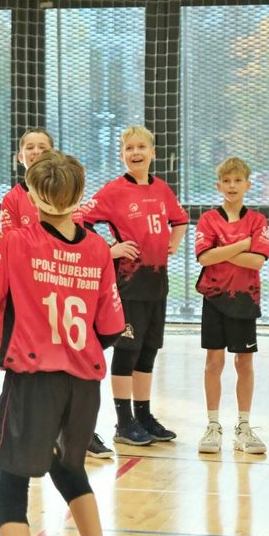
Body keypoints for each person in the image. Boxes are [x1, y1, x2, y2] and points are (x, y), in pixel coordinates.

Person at [0, 150, 125, 536]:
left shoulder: (16, 242)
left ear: (31, 195)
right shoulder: (99, 249)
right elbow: (110, 328)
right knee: (70, 471)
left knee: (9, 489)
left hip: (33, 381)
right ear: (80, 195)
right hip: (84, 384)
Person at [1, 127, 114, 459]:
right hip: (32, 296)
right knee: (35, 371)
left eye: (42, 146)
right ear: (20, 156)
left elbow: (76, 237)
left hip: (65, 286)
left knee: (74, 363)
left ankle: (79, 432)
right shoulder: (12, 199)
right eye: (29, 147)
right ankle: (40, 435)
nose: (35, 151)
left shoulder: (65, 191)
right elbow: (12, 246)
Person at [81, 126, 188, 445]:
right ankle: (124, 422)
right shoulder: (113, 191)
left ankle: (144, 415)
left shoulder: (162, 189)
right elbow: (80, 222)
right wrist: (109, 250)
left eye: (142, 147)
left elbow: (180, 219)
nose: (136, 152)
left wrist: (173, 243)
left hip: (157, 283)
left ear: (153, 152)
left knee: (148, 350)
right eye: (129, 148)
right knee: (127, 351)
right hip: (128, 285)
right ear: (121, 155)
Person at [195, 157, 269, 454]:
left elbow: (257, 261)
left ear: (248, 185)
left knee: (244, 363)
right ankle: (213, 426)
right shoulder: (208, 219)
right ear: (218, 186)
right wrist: (242, 245)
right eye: (226, 181)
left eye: (238, 180)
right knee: (214, 362)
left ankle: (244, 427)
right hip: (214, 298)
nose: (232, 185)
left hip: (244, 299)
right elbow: (204, 257)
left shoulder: (257, 221)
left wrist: (221, 250)